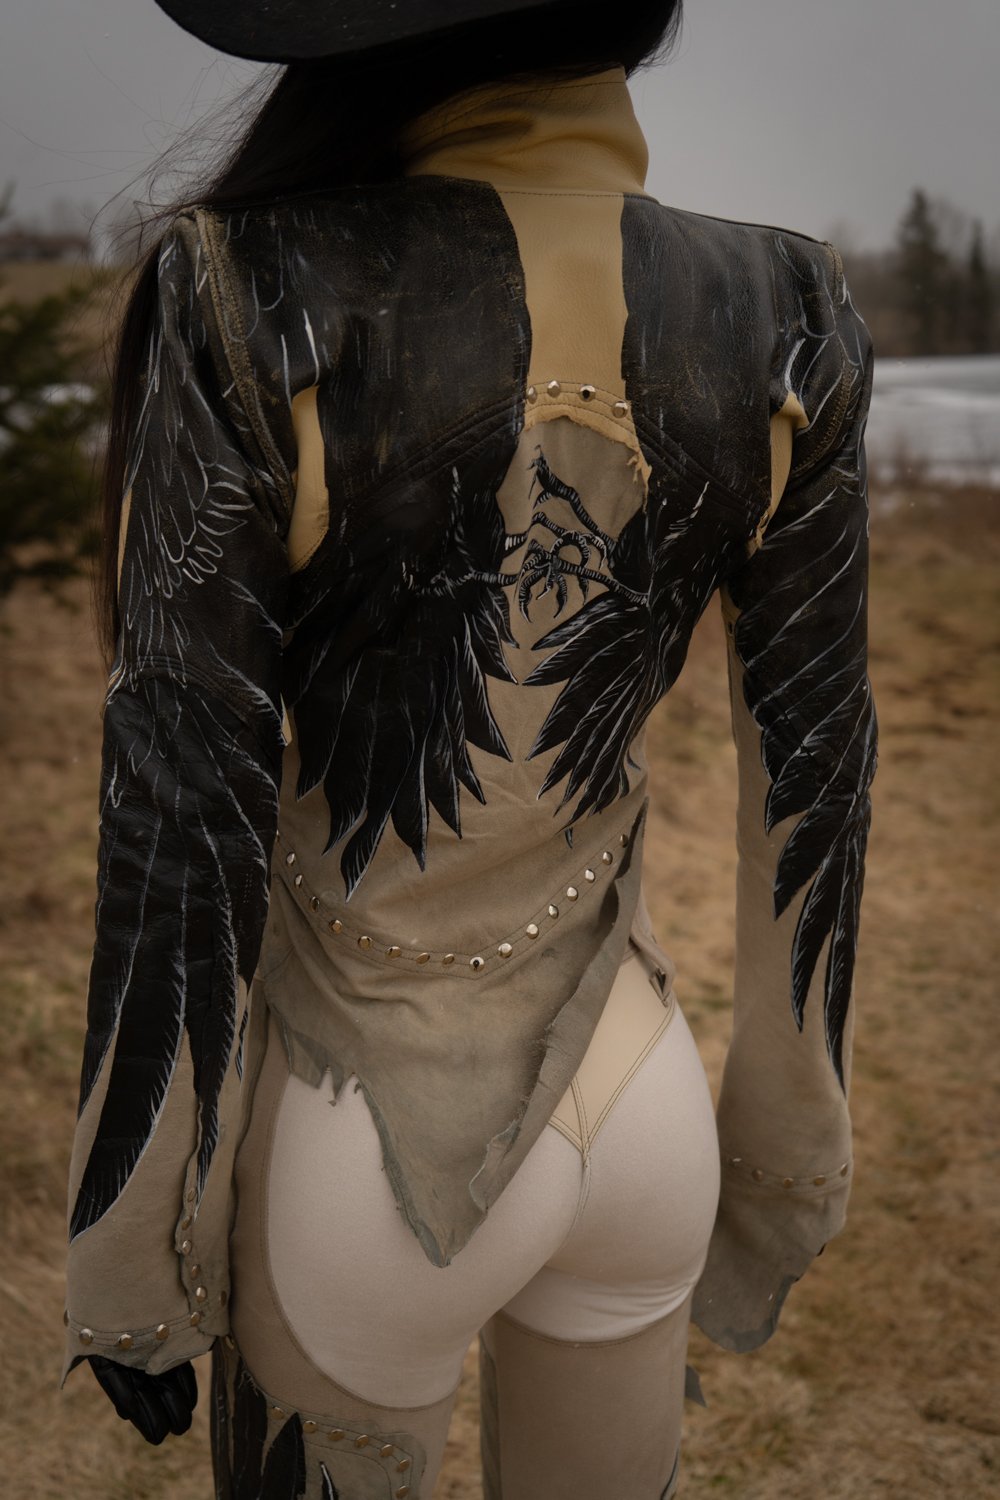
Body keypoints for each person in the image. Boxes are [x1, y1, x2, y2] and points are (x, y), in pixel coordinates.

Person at [62, 2, 877, 1495]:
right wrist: (788, 1157)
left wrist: (134, 1242)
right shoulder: (787, 308)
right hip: (644, 1113)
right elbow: (817, 774)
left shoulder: (252, 287)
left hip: (354, 1140)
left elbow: (182, 792)